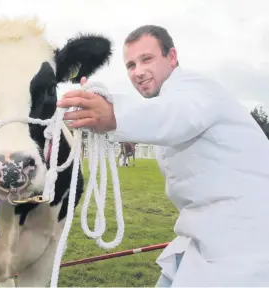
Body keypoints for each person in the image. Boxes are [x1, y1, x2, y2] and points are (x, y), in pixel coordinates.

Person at [57, 25, 269, 286]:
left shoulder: (197, 88)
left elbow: (176, 115)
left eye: (147, 59)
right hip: (201, 240)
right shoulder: (168, 100)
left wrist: (112, 113)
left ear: (172, 57)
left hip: (245, 246)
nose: (138, 72)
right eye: (130, 65)